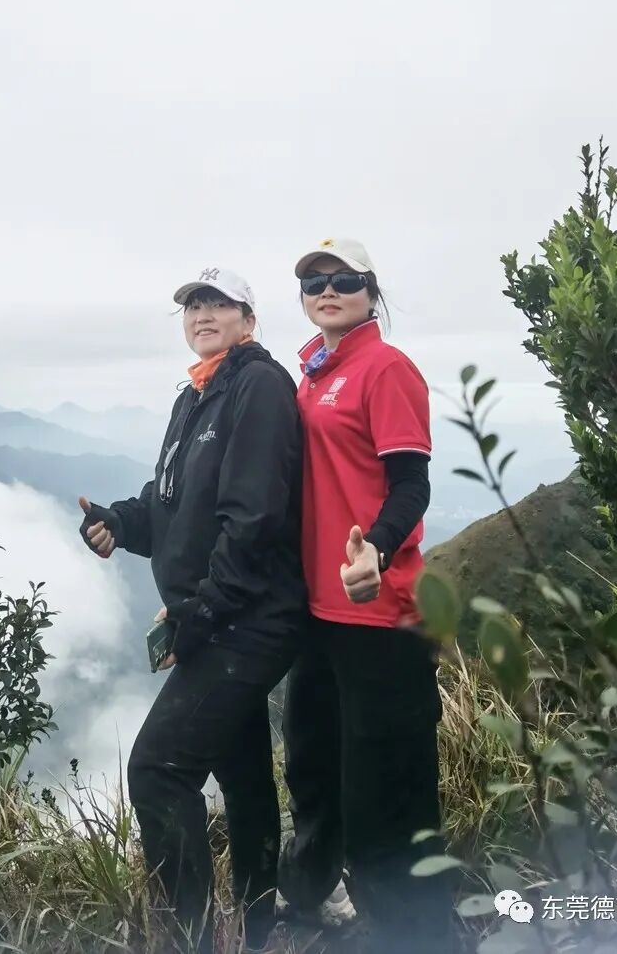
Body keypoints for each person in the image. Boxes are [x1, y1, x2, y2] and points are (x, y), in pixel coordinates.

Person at [77, 266, 307, 954]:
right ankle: (260, 925)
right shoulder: (196, 395)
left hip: (250, 618)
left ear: (249, 320)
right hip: (221, 615)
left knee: (158, 769)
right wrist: (120, 522)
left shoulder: (260, 388)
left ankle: (191, 939)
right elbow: (168, 502)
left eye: (219, 304)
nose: (203, 314)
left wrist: (196, 616)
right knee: (242, 768)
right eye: (193, 305)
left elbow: (253, 519)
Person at [277, 238, 455, 954]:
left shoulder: (385, 368)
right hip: (320, 614)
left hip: (381, 614)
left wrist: (376, 548)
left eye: (344, 279)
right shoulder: (312, 374)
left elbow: (411, 484)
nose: (327, 289)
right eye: (313, 282)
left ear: (371, 290)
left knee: (389, 795)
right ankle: (317, 897)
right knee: (313, 768)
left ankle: (421, 935)